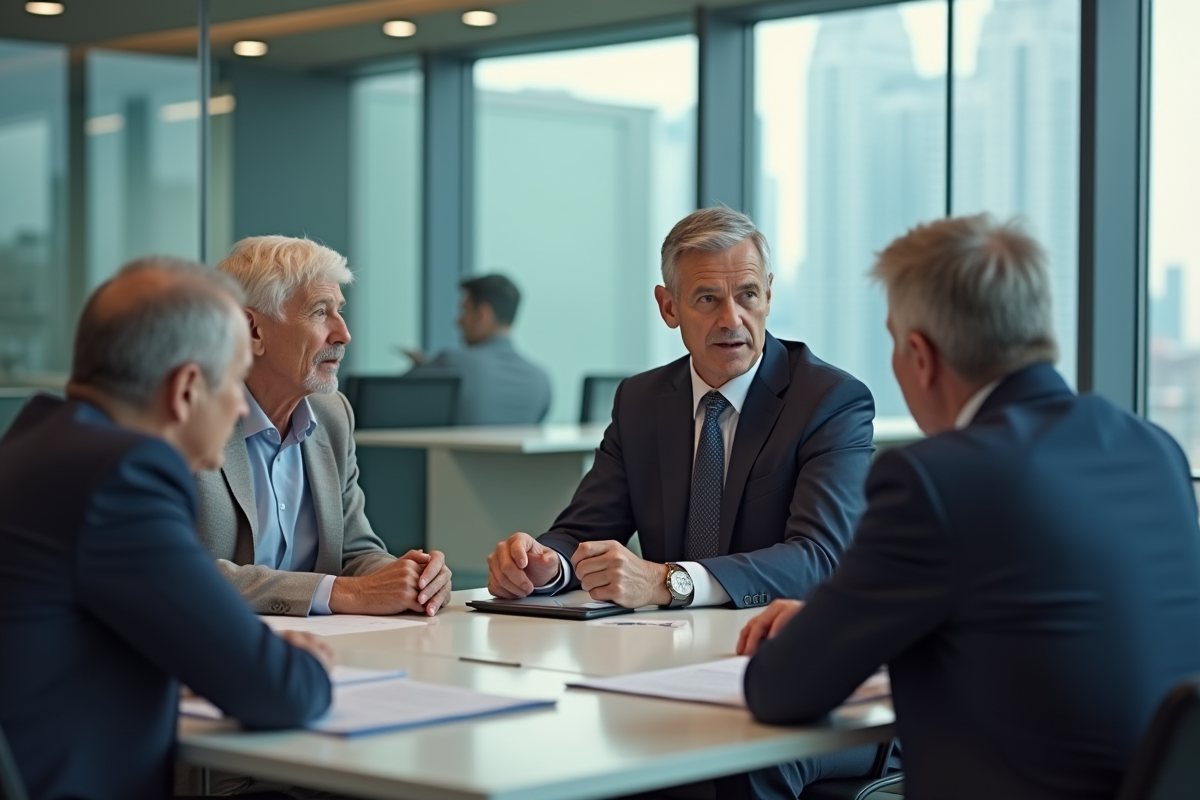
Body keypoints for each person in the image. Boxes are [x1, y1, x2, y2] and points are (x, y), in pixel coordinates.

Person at [737, 214, 1200, 800]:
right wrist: (838, 620)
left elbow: (781, 691)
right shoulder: (1151, 448)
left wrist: (820, 636)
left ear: (921, 355)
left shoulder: (937, 479)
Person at [486, 207, 878, 800]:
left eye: (748, 294)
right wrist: (546, 565)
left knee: (736, 760)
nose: (733, 319)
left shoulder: (830, 400)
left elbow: (820, 557)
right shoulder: (643, 400)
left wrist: (667, 581)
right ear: (668, 307)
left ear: (769, 294)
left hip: (807, 678)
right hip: (673, 670)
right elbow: (584, 526)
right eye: (706, 300)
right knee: (561, 741)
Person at [0, 259, 334, 800]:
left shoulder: (29, 448)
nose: (236, 407)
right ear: (185, 391)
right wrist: (303, 664)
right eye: (232, 383)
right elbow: (279, 690)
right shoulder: (120, 479)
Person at [198, 235, 452, 619]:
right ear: (251, 330)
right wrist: (342, 593)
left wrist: (412, 579)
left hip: (319, 649)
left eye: (340, 310)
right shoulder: (181, 421)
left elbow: (356, 550)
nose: (343, 334)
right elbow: (176, 571)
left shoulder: (332, 415)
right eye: (320, 312)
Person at [406, 273, 552, 425]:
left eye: (464, 311)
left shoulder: (452, 361)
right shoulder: (541, 379)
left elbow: (396, 396)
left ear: (483, 314)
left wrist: (422, 367)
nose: (458, 322)